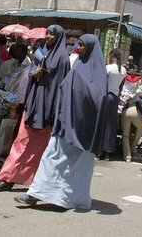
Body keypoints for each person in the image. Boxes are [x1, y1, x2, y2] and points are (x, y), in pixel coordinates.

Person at [15, 34, 108, 209]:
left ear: (90, 48)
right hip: (65, 125)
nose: (77, 48)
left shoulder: (98, 74)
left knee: (78, 167)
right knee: (52, 157)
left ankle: (67, 199)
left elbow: (98, 101)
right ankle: (35, 193)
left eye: (81, 45)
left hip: (83, 130)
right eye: (77, 44)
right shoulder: (78, 66)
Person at [0, 24, 70, 191]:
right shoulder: (40, 52)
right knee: (21, 142)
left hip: (49, 108)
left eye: (53, 34)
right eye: (48, 33)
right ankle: (8, 177)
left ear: (60, 37)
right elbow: (29, 73)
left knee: (42, 149)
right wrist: (34, 74)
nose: (48, 36)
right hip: (33, 104)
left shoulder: (63, 59)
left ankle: (36, 181)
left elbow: (62, 86)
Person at [101, 48, 126, 159]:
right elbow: (121, 86)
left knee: (102, 123)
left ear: (112, 56)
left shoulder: (108, 68)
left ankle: (100, 149)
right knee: (111, 125)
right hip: (115, 97)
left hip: (106, 96)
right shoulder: (123, 70)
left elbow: (102, 83)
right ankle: (108, 151)